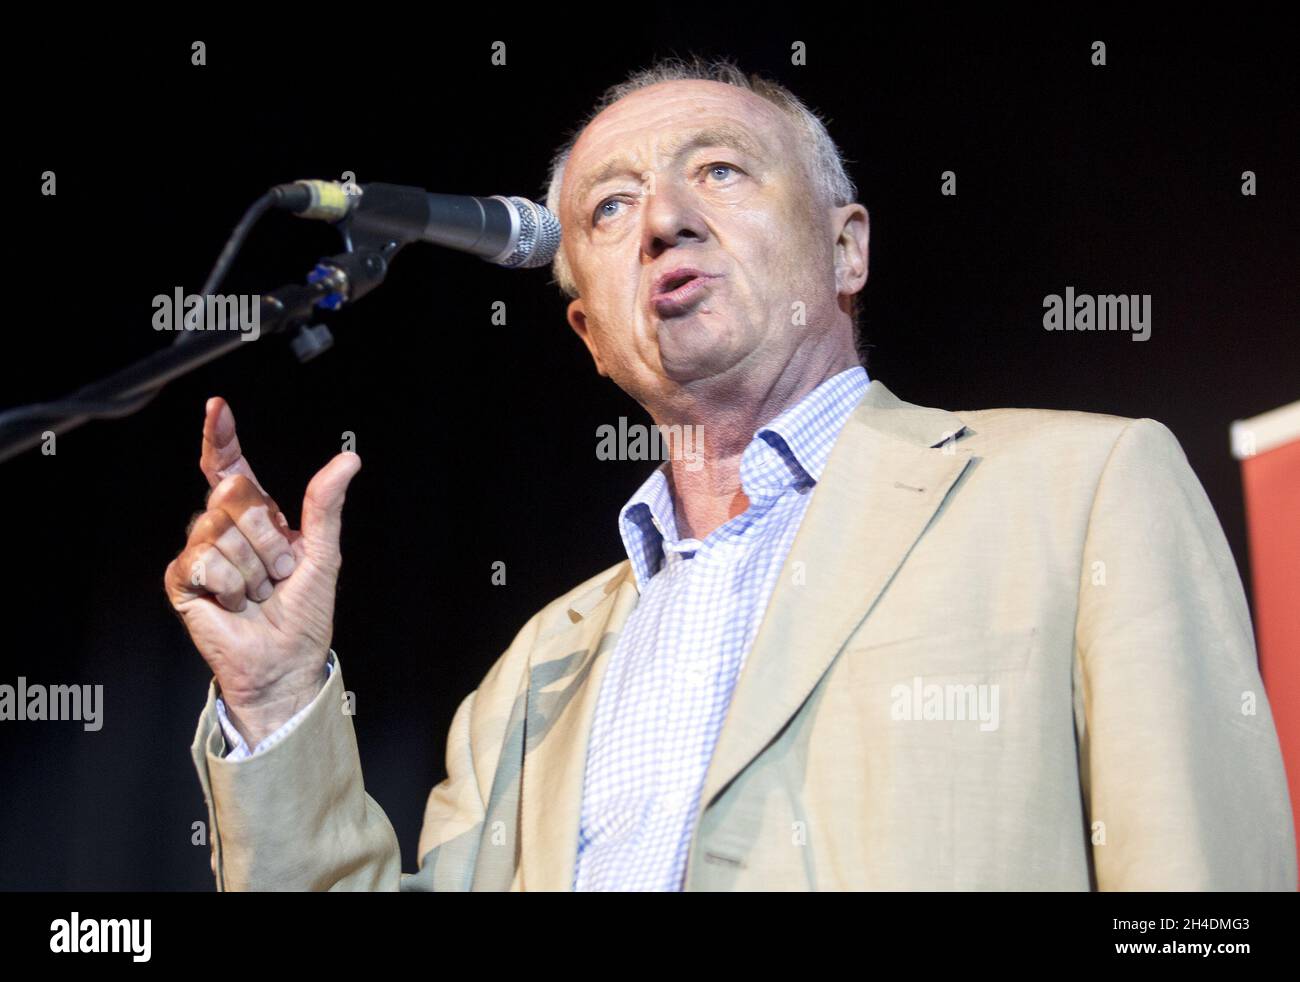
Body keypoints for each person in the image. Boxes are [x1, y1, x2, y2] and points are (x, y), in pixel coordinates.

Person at [165, 57, 1296, 891]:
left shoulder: (1082, 491)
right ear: (587, 333)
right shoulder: (533, 676)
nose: (661, 219)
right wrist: (274, 701)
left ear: (846, 249)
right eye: (608, 208)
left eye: (718, 170)